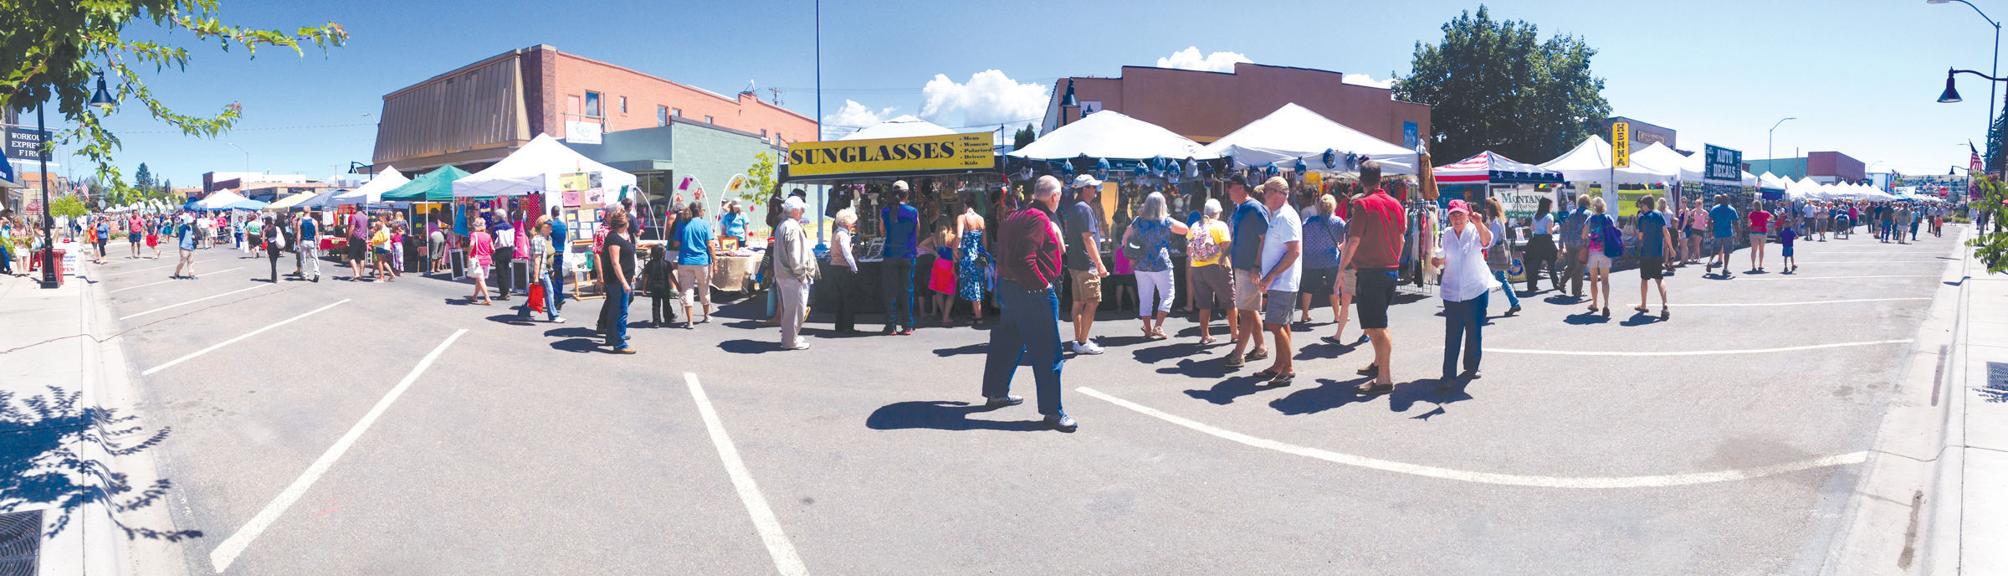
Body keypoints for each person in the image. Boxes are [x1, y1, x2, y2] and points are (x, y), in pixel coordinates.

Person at [981, 175, 1076, 432]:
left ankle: (996, 391)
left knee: (1008, 341)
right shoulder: (1037, 218)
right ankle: (1053, 412)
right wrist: (1042, 285)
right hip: (1030, 290)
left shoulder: (1015, 215)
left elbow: (1007, 254)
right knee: (1048, 352)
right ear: (1054, 197)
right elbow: (1025, 259)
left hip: (1010, 287)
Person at [1345, 162, 1405, 394]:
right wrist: (1395, 260)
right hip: (1389, 269)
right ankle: (1379, 365)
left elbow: (1354, 241)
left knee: (1376, 327)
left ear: (1362, 180)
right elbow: (1400, 238)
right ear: (1381, 178)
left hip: (1371, 271)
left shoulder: (1363, 204)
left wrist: (1342, 267)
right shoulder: (1395, 203)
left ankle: (1384, 378)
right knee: (1375, 323)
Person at [1435, 200, 1497, 384]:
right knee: (1452, 334)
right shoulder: (1446, 234)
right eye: (1453, 215)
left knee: (1473, 331)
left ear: (1466, 215)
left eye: (1460, 214)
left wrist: (1479, 223)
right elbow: (1443, 257)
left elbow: (1487, 241)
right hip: (1452, 292)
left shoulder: (1474, 230)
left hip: (1475, 289)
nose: (1456, 218)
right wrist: (1437, 262)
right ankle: (1448, 375)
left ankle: (1471, 367)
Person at [1252, 177, 1303, 387]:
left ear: (1280, 193)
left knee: (1274, 323)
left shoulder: (1285, 217)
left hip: (1283, 281)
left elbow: (1294, 251)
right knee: (1281, 324)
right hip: (1280, 281)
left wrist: (1270, 276)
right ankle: (1279, 365)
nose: (1264, 196)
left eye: (1267, 191)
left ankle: (1288, 368)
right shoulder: (1279, 215)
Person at [1121, 192, 1188, 340]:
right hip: (1160, 264)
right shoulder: (1165, 222)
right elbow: (1185, 229)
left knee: (1145, 297)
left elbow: (1125, 238)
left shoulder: (1138, 221)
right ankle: (1158, 325)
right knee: (1168, 295)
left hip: (1141, 265)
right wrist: (1168, 218)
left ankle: (1148, 329)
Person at [1223, 179, 1269, 368]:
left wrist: (1257, 266)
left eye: (1230, 188)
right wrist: (1226, 253)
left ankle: (1238, 353)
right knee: (1250, 309)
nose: (1228, 191)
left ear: (1241, 188)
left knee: (1247, 312)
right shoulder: (1242, 207)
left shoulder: (1254, 208)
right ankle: (1260, 348)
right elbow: (1237, 236)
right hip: (1244, 267)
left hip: (1250, 268)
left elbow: (1265, 239)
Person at [1061, 175, 1108, 354]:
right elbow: (1088, 238)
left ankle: (1079, 339)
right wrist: (1099, 264)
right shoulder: (1084, 209)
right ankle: (1082, 342)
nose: (1095, 190)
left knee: (1078, 302)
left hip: (1075, 263)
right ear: (1085, 189)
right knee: (1092, 301)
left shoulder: (1074, 208)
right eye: (1092, 187)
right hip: (1086, 264)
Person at [1187, 198, 1234, 346]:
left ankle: (1205, 335)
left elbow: (1189, 248)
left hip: (1196, 268)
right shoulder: (1220, 226)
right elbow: (1227, 247)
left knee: (1204, 303)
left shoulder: (1195, 225)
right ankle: (1235, 333)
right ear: (1218, 213)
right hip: (1217, 266)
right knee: (1229, 302)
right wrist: (1229, 265)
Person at [774, 196, 817, 350]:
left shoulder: (783, 225)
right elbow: (795, 255)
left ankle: (789, 337)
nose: (803, 212)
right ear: (795, 211)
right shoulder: (792, 227)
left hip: (783, 274)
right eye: (802, 209)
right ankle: (790, 341)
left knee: (789, 309)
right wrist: (801, 274)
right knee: (795, 310)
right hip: (792, 276)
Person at [879, 180, 921, 335]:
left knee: (890, 291)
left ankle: (891, 326)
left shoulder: (885, 211)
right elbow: (917, 231)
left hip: (890, 254)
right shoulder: (913, 211)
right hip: (908, 254)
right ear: (907, 193)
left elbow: (882, 233)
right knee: (907, 290)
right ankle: (908, 325)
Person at [1298, 193, 1343, 325]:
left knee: (1308, 288)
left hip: (1311, 260)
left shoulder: (1309, 221)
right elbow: (1345, 238)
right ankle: (1337, 315)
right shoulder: (1338, 222)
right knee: (1334, 288)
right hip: (1331, 260)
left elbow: (1301, 237)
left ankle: (1305, 314)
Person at [599, 211, 637, 354]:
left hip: (620, 279)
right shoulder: (614, 238)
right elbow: (615, 263)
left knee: (615, 310)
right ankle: (620, 343)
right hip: (617, 281)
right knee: (621, 312)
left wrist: (630, 275)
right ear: (625, 224)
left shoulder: (618, 236)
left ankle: (612, 337)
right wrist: (624, 282)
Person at [674, 201, 716, 327]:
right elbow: (710, 245)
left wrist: (686, 245)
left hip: (685, 261)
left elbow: (676, 243)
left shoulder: (682, 223)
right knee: (704, 288)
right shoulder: (705, 224)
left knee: (687, 290)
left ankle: (690, 321)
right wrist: (715, 261)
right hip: (702, 261)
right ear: (700, 211)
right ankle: (706, 315)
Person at [1634, 195, 1673, 319]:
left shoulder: (1642, 218)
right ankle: (1665, 304)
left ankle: (1644, 304)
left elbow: (1640, 237)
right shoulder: (1659, 215)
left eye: (1642, 204)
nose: (1641, 206)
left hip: (1646, 253)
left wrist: (1639, 235)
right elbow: (1666, 232)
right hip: (1657, 252)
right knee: (1659, 279)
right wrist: (1671, 249)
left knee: (1644, 279)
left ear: (1646, 205)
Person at [828, 208, 864, 334]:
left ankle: (839, 325)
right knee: (848, 298)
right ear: (847, 222)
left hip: (834, 267)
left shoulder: (835, 233)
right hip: (843, 268)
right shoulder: (843, 235)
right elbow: (847, 253)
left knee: (839, 298)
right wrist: (854, 267)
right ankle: (848, 326)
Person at [523, 217, 565, 323]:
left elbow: (550, 255)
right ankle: (553, 316)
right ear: (542, 227)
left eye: (551, 227)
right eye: (549, 227)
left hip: (547, 270)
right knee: (549, 292)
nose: (551, 230)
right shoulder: (537, 240)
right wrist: (536, 277)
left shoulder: (548, 239)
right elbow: (537, 260)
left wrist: (552, 269)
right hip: (541, 272)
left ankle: (523, 312)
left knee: (539, 294)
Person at [1483, 197, 1521, 315]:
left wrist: (1483, 247)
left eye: (1486, 207)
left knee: (1487, 280)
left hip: (1495, 255)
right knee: (1500, 279)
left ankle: (1483, 308)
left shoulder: (1495, 223)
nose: (1485, 210)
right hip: (1499, 254)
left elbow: (1492, 241)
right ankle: (1514, 302)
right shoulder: (1498, 221)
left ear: (1490, 209)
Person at [1582, 196, 1618, 317]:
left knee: (1593, 280)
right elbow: (1614, 231)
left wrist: (1591, 236)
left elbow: (1583, 235)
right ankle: (1606, 305)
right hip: (1605, 251)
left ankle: (1595, 303)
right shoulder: (1608, 218)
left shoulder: (1590, 219)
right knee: (1605, 280)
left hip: (1593, 251)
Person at [954, 202, 989, 324]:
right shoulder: (981, 219)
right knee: (978, 283)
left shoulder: (962, 217)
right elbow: (985, 241)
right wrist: (983, 255)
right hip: (979, 255)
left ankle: (978, 316)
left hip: (968, 255)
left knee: (972, 285)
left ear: (965, 204)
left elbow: (959, 236)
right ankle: (976, 314)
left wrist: (954, 249)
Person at [921, 226, 957, 324]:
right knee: (951, 293)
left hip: (938, 263)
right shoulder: (952, 236)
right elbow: (954, 253)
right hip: (949, 264)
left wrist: (934, 252)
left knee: (938, 292)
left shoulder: (935, 237)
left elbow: (921, 245)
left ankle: (943, 314)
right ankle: (946, 316)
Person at [1556, 195, 1590, 298]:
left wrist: (1561, 245)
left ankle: (1561, 283)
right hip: (1581, 244)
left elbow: (1563, 229)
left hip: (1569, 243)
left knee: (1571, 265)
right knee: (1579, 268)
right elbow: (1590, 229)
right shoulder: (1588, 214)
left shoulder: (1571, 213)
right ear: (1588, 203)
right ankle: (1577, 291)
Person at [1524, 197, 1557, 293]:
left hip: (1536, 240)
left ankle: (1532, 286)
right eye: (1551, 205)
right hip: (1546, 240)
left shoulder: (1535, 215)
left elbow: (1532, 228)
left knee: (1534, 264)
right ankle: (1556, 283)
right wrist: (1556, 227)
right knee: (1552, 263)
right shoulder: (1549, 216)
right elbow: (1549, 231)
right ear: (1548, 206)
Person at [642, 244, 675, 327]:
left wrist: (644, 287)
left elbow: (646, 276)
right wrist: (676, 285)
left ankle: (656, 321)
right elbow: (671, 275)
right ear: (663, 253)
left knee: (655, 304)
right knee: (666, 302)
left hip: (654, 286)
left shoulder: (649, 264)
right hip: (664, 285)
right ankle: (668, 318)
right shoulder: (666, 263)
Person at [1707, 194, 1738, 278]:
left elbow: (1709, 220)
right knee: (1727, 252)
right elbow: (1735, 223)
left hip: (1717, 232)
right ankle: (1725, 268)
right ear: (1728, 200)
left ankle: (1710, 261)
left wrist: (1710, 231)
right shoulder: (1731, 209)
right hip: (1727, 233)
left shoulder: (1715, 208)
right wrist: (1738, 233)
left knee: (1715, 249)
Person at [467, 218, 494, 305]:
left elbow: (472, 244)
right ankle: (474, 296)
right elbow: (492, 249)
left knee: (481, 279)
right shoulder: (488, 235)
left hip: (478, 259)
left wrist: (468, 255)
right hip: (487, 259)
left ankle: (487, 298)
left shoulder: (474, 235)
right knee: (479, 279)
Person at [548, 207, 570, 311]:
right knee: (559, 276)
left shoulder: (551, 225)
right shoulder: (563, 225)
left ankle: (559, 297)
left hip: (552, 253)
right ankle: (558, 298)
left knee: (549, 276)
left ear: (552, 213)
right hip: (561, 251)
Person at [294, 211, 321, 282]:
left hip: (303, 241)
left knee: (303, 259)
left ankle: (304, 275)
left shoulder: (300, 221)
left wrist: (297, 244)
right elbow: (317, 233)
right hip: (311, 241)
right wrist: (318, 243)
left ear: (303, 213)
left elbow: (298, 234)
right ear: (310, 212)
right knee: (314, 258)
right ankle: (316, 273)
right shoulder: (314, 221)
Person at [1747, 200, 1772, 273]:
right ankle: (1760, 265)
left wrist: (1752, 224)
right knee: (1761, 249)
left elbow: (1748, 224)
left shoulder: (1751, 214)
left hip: (1754, 232)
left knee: (1753, 250)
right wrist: (1767, 220)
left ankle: (1753, 266)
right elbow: (1772, 217)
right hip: (1763, 232)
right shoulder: (1765, 213)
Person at [172, 215, 199, 279]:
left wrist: (193, 237)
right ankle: (176, 273)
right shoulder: (181, 227)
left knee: (191, 261)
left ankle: (191, 274)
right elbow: (180, 224)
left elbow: (193, 234)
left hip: (191, 246)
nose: (191, 223)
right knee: (182, 262)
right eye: (190, 222)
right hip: (183, 247)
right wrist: (185, 219)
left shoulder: (191, 227)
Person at [347, 210, 369, 280]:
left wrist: (348, 238)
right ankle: (361, 274)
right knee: (362, 257)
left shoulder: (355, 216)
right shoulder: (366, 217)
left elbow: (352, 228)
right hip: (363, 238)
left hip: (355, 237)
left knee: (351, 256)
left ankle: (356, 273)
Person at [264, 215, 284, 283]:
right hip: (276, 245)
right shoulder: (276, 227)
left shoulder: (266, 228)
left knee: (272, 262)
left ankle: (274, 277)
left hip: (270, 245)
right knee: (274, 261)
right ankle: (274, 277)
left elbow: (263, 239)